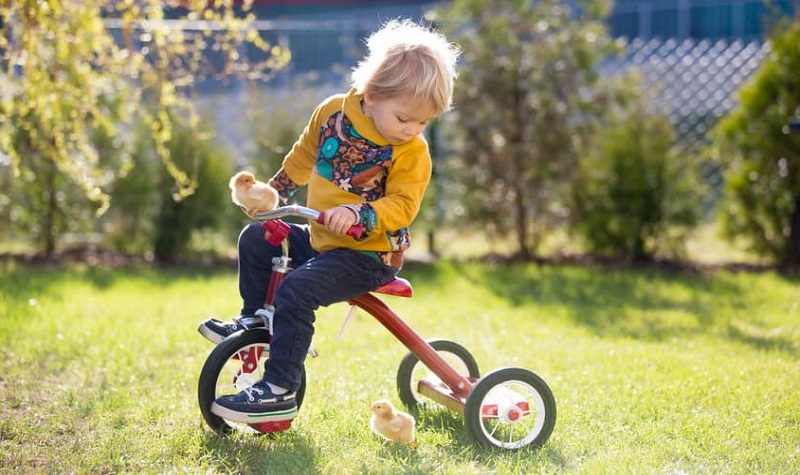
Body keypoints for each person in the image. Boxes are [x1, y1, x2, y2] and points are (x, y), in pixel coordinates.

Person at [201, 19, 461, 423]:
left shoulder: (411, 151)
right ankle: (255, 317)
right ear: (372, 94)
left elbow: (403, 206)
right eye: (405, 118)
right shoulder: (332, 113)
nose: (412, 130)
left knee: (298, 289)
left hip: (370, 254)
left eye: (422, 123)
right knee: (258, 238)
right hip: (324, 239)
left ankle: (279, 388)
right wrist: (275, 192)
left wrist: (360, 212)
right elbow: (305, 156)